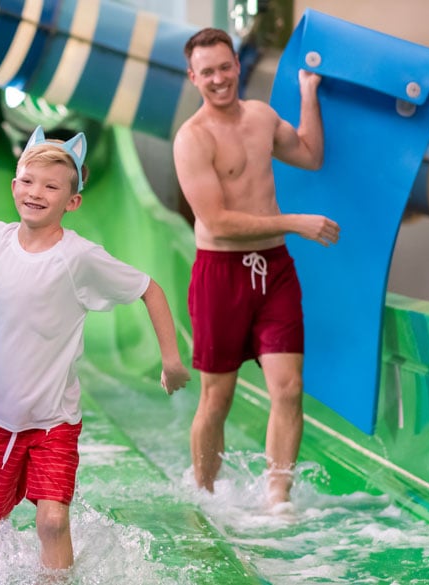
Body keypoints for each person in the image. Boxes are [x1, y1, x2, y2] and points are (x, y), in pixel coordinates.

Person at [0, 126, 190, 577]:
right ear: (13, 186)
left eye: (51, 186)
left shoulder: (80, 257)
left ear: (72, 201)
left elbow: (150, 289)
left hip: (54, 419)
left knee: (53, 520)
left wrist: (171, 359)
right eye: (27, 180)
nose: (35, 192)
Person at [172, 27, 340, 507]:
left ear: (237, 65)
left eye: (225, 67)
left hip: (274, 270)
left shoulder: (263, 117)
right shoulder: (192, 139)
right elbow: (217, 222)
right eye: (208, 72)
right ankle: (204, 496)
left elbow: (310, 153)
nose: (219, 79)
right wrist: (295, 222)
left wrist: (308, 94)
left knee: (288, 388)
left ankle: (277, 499)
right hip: (220, 276)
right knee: (216, 400)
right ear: (193, 77)